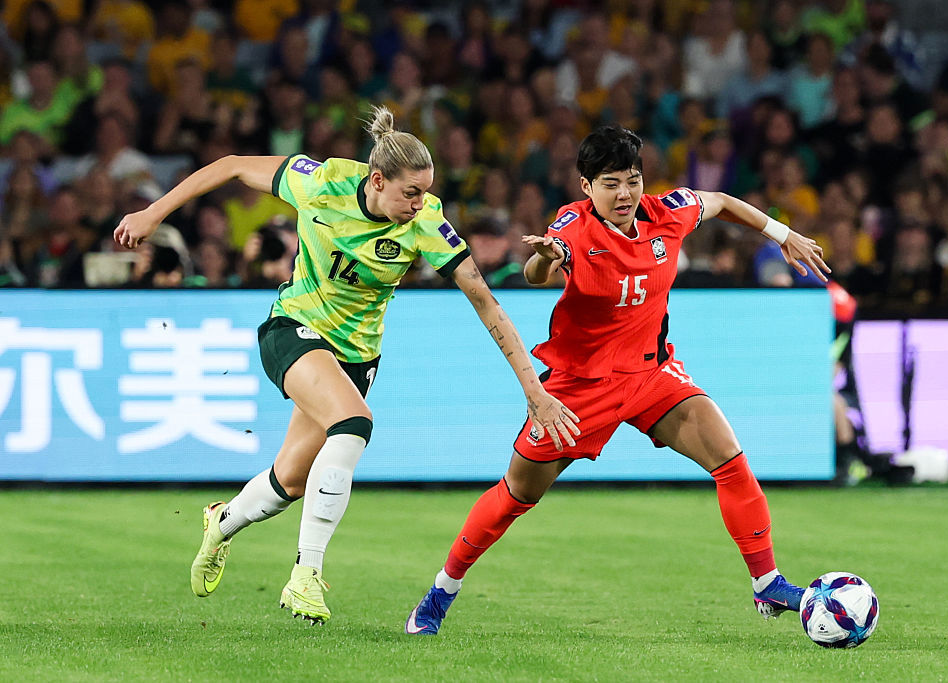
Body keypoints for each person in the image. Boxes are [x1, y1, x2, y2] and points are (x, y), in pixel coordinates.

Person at [113, 105, 580, 624]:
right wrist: (153, 214)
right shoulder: (321, 182)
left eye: (425, 192)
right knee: (354, 422)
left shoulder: (427, 223)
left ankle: (221, 523)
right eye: (410, 192)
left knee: (289, 482)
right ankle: (305, 575)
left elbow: (486, 302)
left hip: (356, 357)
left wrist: (532, 390)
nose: (420, 203)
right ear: (377, 180)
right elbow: (229, 165)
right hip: (292, 327)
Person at [406, 125, 830, 635]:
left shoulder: (666, 212)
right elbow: (539, 272)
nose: (624, 193)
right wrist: (546, 256)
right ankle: (440, 591)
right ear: (587, 188)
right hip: (581, 387)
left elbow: (719, 200)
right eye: (610, 183)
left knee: (730, 459)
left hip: (652, 374)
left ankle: (767, 583)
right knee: (517, 494)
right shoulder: (572, 225)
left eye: (632, 180)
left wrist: (785, 236)